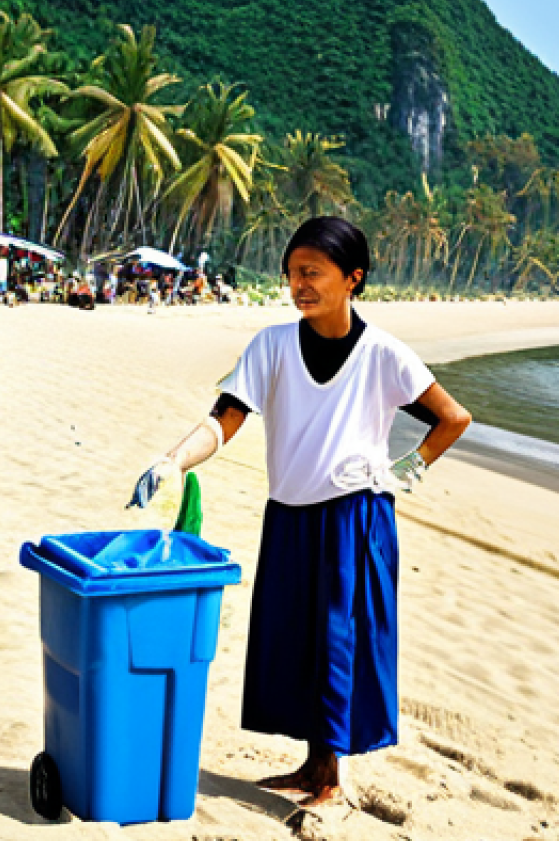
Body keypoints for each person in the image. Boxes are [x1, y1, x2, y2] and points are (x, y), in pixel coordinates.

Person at [128, 217, 471, 806]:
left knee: (339, 641)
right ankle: (313, 766)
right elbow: (225, 418)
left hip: (354, 519)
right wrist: (174, 461)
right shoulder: (272, 346)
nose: (299, 285)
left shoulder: (384, 353)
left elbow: (452, 418)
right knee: (295, 639)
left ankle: (331, 779)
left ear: (353, 278)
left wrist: (404, 473)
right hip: (289, 514)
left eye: (312, 273)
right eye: (292, 274)